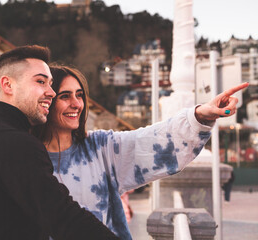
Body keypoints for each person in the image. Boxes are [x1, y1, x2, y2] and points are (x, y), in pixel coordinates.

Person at [32, 65, 249, 239]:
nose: (76, 104)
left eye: (79, 95)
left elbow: (150, 141)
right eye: (65, 96)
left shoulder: (99, 148)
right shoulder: (25, 157)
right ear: (47, 101)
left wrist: (200, 115)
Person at [0, 46, 119, 240]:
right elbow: (64, 218)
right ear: (8, 85)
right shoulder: (17, 144)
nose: (51, 92)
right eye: (40, 81)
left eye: (51, 84)